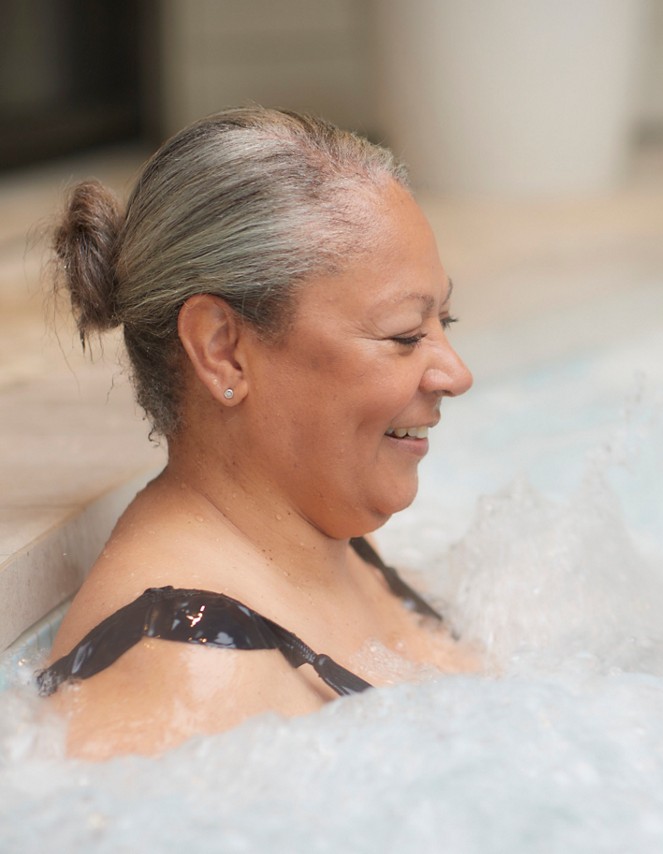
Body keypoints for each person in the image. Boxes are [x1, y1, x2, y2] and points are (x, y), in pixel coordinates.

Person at [38, 107, 475, 759]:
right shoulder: (182, 673)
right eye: (405, 335)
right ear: (224, 351)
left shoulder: (324, 543)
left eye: (446, 320)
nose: (456, 374)